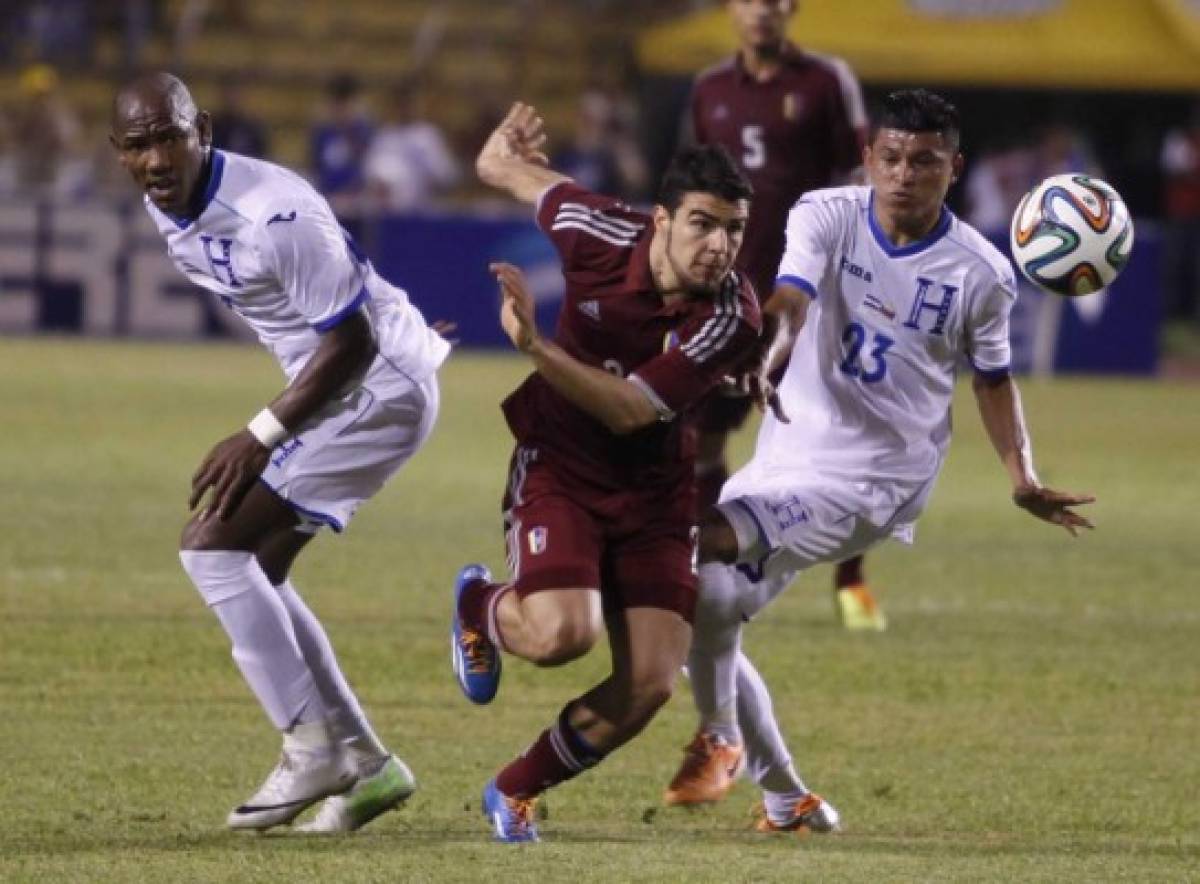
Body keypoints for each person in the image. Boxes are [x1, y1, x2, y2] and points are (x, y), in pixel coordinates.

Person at [664, 89, 1096, 832]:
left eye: (924, 162)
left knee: (680, 549)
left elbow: (993, 379)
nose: (903, 175)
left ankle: (721, 736)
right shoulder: (825, 214)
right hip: (789, 454)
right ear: (868, 157)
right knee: (705, 599)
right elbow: (789, 301)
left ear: (953, 169)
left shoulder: (981, 274)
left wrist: (1021, 474)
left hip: (876, 480)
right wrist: (769, 357)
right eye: (890, 158)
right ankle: (787, 798)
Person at [109, 72, 451, 834]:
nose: (157, 158)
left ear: (202, 130)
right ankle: (367, 765)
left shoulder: (273, 213)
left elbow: (353, 341)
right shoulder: (165, 204)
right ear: (119, 153)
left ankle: (309, 746)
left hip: (372, 390)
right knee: (253, 567)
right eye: (138, 145)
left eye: (169, 136)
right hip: (356, 380)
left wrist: (258, 435)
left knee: (210, 548)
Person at [451, 102, 761, 843]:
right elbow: (503, 171)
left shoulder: (733, 315)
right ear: (660, 219)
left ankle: (514, 789)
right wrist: (502, 148)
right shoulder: (596, 227)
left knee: (650, 684)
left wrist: (535, 348)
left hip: (656, 494)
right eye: (703, 223)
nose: (720, 246)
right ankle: (481, 607)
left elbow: (630, 411)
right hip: (562, 465)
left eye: (735, 230)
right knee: (563, 636)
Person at [685, 0, 882, 634]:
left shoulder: (826, 82)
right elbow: (689, 185)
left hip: (809, 295)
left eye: (774, 0)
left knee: (843, 446)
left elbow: (861, 176)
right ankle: (702, 564)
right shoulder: (709, 88)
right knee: (701, 438)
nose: (762, 11)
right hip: (726, 292)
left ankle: (851, 582)